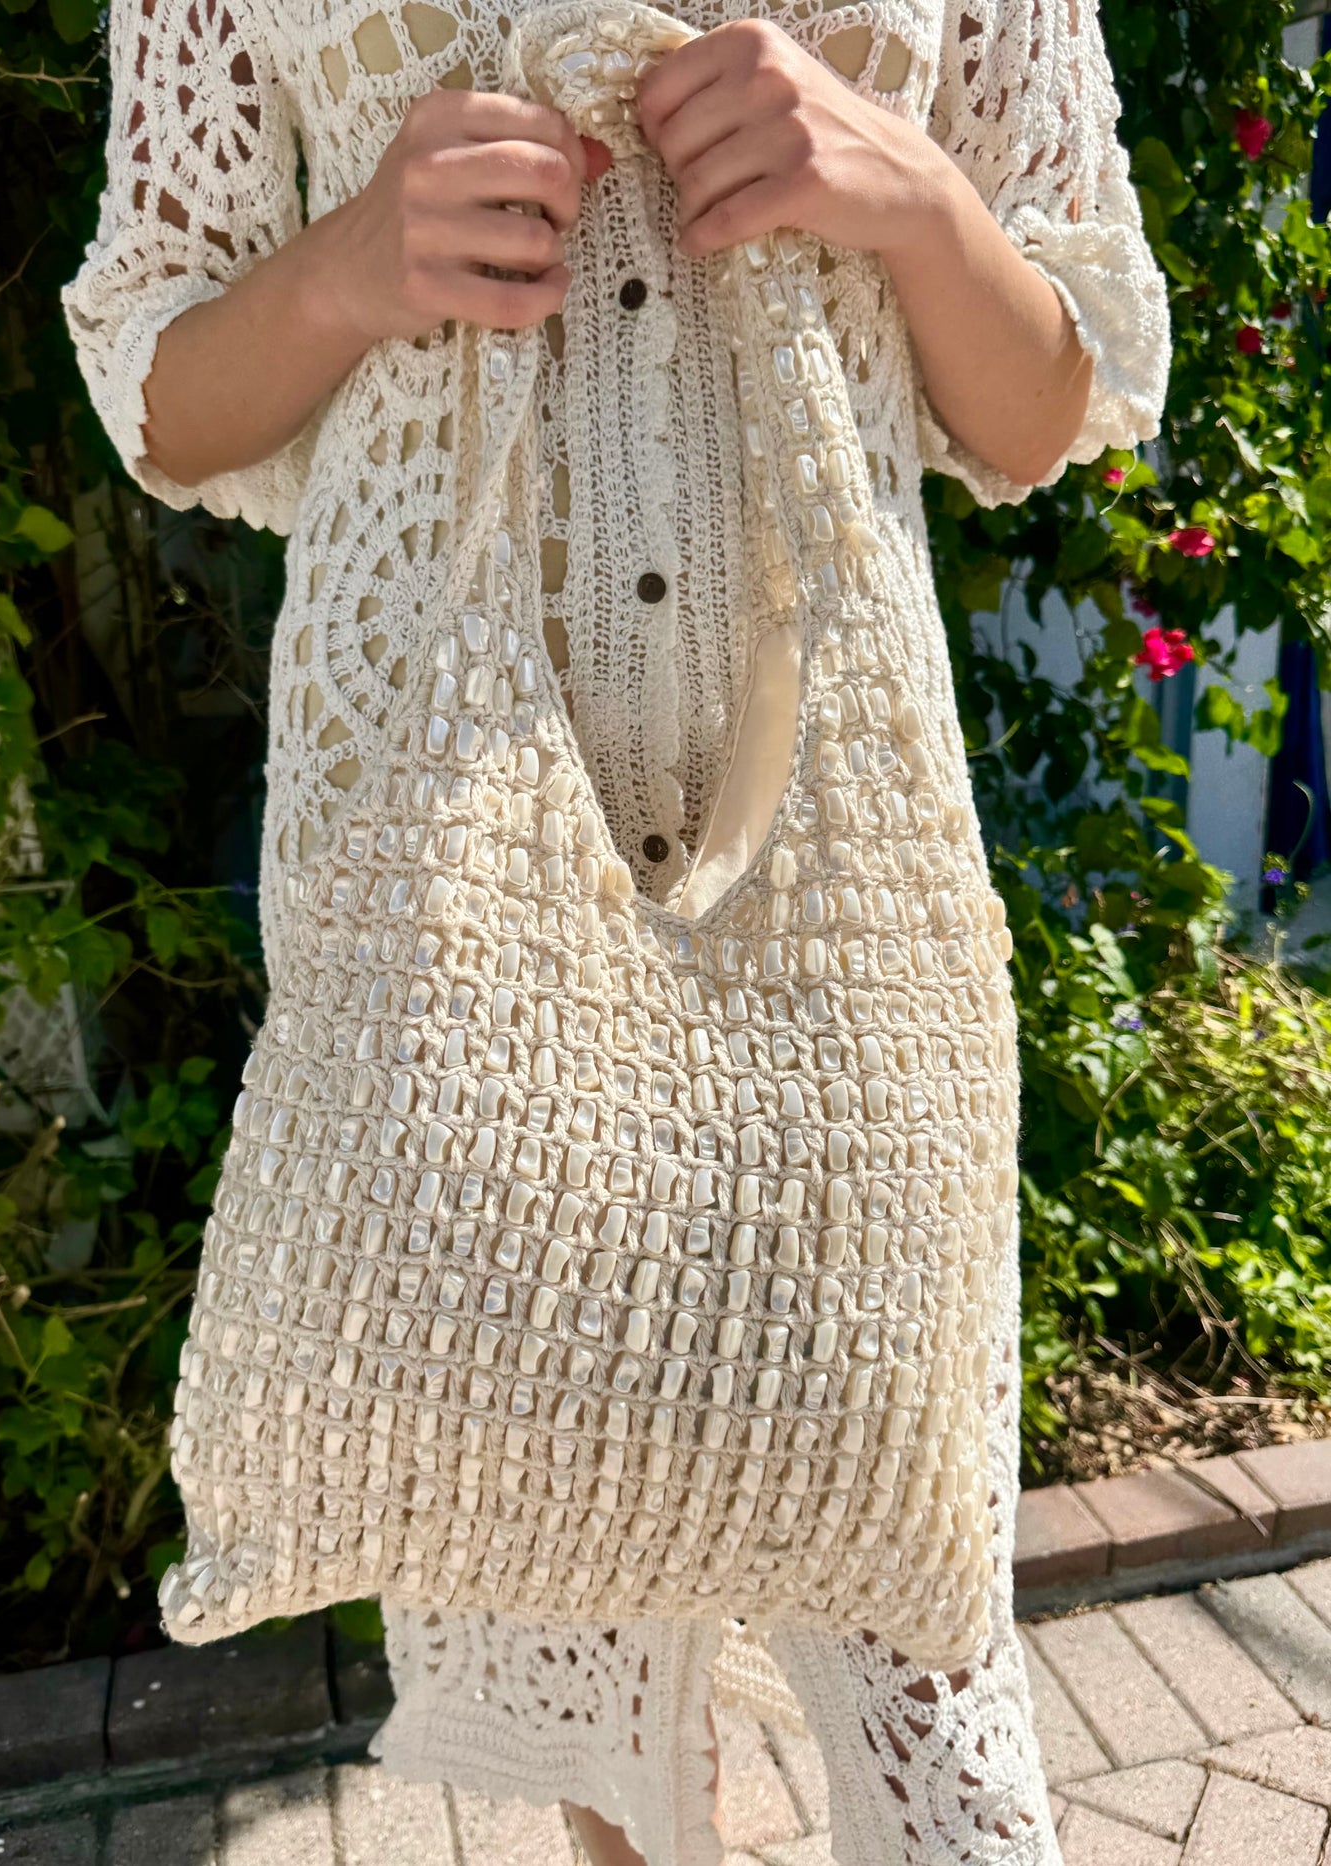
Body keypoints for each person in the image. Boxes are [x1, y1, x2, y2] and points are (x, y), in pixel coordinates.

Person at [62, 0, 1169, 1860]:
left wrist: (906, 192)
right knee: (590, 1656)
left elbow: (1049, 398)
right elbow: (159, 386)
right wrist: (348, 264)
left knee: (946, 1731)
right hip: (445, 890)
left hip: (840, 895)